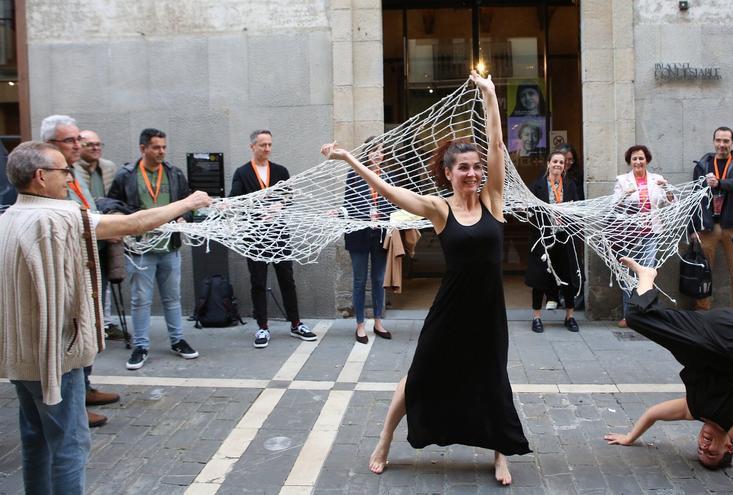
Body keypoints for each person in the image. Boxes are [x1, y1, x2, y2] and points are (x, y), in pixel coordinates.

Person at [321, 70, 530, 486]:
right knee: (419, 376)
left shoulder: (493, 198)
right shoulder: (439, 209)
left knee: (493, 378)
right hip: (450, 309)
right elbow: (393, 193)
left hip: (488, 311)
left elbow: (496, 144)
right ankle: (384, 438)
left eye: (476, 167)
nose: (472, 173)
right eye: (463, 168)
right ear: (449, 173)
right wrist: (350, 160)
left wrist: (489, 95)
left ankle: (500, 453)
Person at [0, 141, 211, 495]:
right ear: (40, 177)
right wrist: (189, 202)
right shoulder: (58, 216)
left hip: (21, 355)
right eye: (63, 171)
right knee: (70, 444)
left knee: (35, 435)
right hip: (54, 355)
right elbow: (132, 223)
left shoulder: (8, 217)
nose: (68, 178)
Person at [605, 256, 733, 495]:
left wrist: (629, 437)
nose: (704, 446)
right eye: (712, 451)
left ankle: (647, 276)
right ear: (729, 446)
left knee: (637, 317)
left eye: (700, 450)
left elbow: (652, 414)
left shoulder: (693, 409)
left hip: (703, 334)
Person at [41, 116, 119, 428]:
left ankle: (83, 390)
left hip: (89, 260)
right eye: (71, 141)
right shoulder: (50, 177)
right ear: (51, 144)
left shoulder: (75, 172)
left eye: (79, 140)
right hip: (68, 268)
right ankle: (72, 406)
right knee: (71, 334)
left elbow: (86, 210)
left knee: (88, 329)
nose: (79, 146)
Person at [108, 128, 201, 370]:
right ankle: (140, 346)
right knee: (140, 300)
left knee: (172, 298)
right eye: (156, 147)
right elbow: (111, 202)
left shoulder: (174, 173)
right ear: (143, 149)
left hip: (169, 247)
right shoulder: (127, 175)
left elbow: (187, 201)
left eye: (164, 147)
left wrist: (185, 217)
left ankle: (178, 340)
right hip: (140, 249)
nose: (161, 151)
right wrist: (121, 219)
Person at [229, 130, 317, 348]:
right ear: (253, 147)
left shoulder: (280, 171)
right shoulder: (242, 173)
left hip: (279, 235)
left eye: (269, 144)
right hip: (255, 237)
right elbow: (236, 200)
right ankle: (262, 327)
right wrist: (259, 210)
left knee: (287, 279)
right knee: (258, 282)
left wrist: (279, 205)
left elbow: (289, 197)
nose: (267, 148)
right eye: (262, 145)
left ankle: (296, 323)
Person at [689, 126, 733, 310]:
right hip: (708, 226)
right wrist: (692, 229)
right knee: (703, 272)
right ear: (713, 141)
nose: (721, 145)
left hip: (732, 226)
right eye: (718, 140)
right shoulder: (702, 165)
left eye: (726, 141)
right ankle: (702, 312)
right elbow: (695, 198)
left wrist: (719, 183)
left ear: (732, 143)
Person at [612, 145, 674, 328]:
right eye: (634, 159)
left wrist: (668, 188)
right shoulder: (622, 181)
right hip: (628, 236)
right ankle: (628, 315)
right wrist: (624, 196)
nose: (638, 162)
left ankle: (645, 316)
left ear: (647, 160)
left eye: (641, 158)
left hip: (650, 235)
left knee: (647, 274)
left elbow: (671, 203)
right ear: (629, 162)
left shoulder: (657, 180)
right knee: (627, 275)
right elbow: (614, 207)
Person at [342, 137, 394, 344]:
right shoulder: (354, 176)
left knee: (379, 281)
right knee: (359, 280)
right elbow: (348, 204)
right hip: (359, 235)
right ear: (367, 152)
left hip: (380, 235)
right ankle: (360, 325)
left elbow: (394, 203)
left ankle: (378, 322)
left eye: (381, 151)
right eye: (374, 150)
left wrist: (382, 215)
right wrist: (365, 215)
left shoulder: (388, 177)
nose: (377, 154)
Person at [76, 129, 125, 342]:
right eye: (90, 145)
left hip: (108, 236)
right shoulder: (72, 171)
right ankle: (88, 328)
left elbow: (114, 199)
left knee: (105, 282)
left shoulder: (109, 168)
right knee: (87, 285)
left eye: (98, 144)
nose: (96, 148)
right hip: (85, 236)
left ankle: (105, 324)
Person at [525, 150, 581, 334]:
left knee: (568, 279)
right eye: (555, 161)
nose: (558, 165)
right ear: (548, 163)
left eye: (561, 162)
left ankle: (570, 316)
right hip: (544, 239)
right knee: (539, 278)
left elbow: (579, 209)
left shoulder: (570, 185)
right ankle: (537, 317)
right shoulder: (537, 186)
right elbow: (530, 214)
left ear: (564, 167)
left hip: (564, 238)